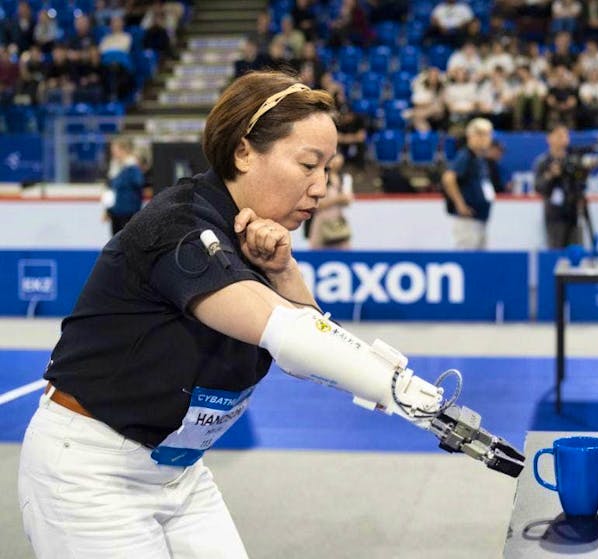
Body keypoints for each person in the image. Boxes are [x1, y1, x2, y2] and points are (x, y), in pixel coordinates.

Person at [18, 71, 518, 558]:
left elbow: (313, 351)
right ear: (243, 151)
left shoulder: (259, 239)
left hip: (180, 473)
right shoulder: (179, 227)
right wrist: (417, 399)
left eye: (328, 169)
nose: (321, 188)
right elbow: (290, 335)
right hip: (90, 473)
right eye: (308, 165)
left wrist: (283, 270)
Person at [441, 117, 495, 249]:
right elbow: (448, 178)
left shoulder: (479, 158)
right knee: (468, 257)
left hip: (480, 217)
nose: (485, 139)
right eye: (480, 134)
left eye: (487, 134)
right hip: (468, 218)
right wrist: (460, 204)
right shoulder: (465, 156)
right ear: (471, 136)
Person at [533, 125, 586, 248]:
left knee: (577, 251)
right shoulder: (543, 161)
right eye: (559, 135)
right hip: (555, 216)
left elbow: (581, 182)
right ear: (549, 138)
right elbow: (538, 187)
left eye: (566, 135)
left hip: (574, 214)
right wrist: (551, 175)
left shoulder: (573, 160)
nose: (563, 139)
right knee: (556, 252)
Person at [309, 152, 354, 249]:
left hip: (338, 221)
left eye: (338, 157)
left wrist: (345, 199)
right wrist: (337, 200)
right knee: (318, 251)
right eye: (333, 158)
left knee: (344, 250)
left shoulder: (344, 178)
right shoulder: (319, 178)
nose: (336, 161)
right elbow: (316, 205)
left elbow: (348, 201)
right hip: (322, 220)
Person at [102, 137, 146, 235]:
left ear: (123, 150)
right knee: (115, 242)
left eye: (115, 150)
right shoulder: (114, 167)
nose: (113, 153)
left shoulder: (133, 167)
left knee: (127, 241)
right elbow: (109, 189)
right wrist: (107, 209)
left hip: (129, 212)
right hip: (115, 212)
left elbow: (139, 183)